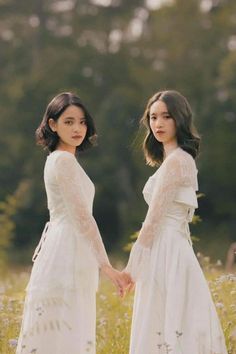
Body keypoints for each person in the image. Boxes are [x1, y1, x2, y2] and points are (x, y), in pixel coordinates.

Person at [16, 92, 131, 354]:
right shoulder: (64, 160)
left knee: (62, 328)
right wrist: (108, 267)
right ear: (52, 125)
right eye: (68, 122)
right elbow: (83, 218)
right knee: (64, 328)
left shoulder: (59, 159)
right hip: (66, 249)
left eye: (81, 122)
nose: (77, 128)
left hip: (68, 247)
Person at [123, 90, 228, 354]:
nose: (158, 124)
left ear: (179, 119)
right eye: (153, 117)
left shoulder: (177, 162)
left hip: (166, 249)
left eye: (166, 117)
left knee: (168, 320)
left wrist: (131, 268)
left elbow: (153, 220)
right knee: (172, 321)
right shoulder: (179, 160)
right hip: (174, 247)